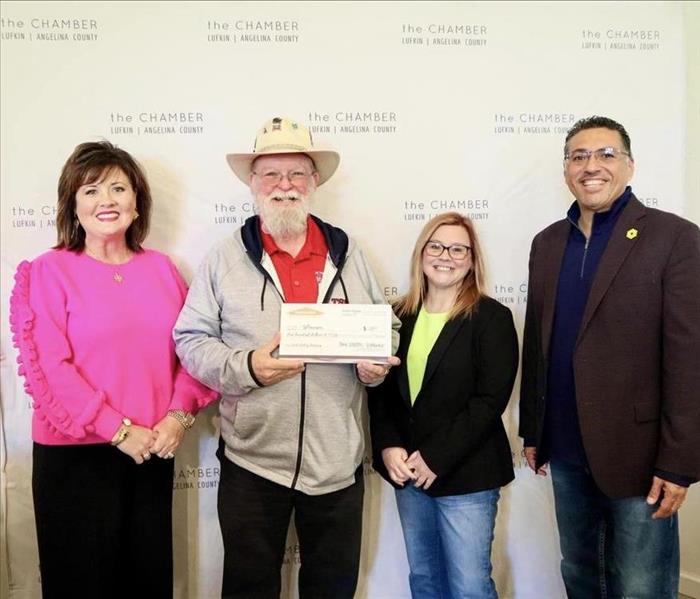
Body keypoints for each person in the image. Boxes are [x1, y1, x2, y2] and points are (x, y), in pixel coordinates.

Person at [173, 116, 400, 599]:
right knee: (249, 588)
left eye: (296, 174)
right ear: (253, 184)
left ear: (314, 181)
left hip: (337, 464)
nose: (284, 186)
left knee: (333, 589)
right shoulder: (224, 257)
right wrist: (248, 368)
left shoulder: (348, 252)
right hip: (252, 463)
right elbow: (191, 340)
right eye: (271, 175)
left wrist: (375, 364)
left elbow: (386, 328)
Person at [9, 141, 217, 599]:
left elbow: (196, 353)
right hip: (76, 457)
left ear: (137, 201)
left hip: (153, 450)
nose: (107, 200)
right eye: (91, 190)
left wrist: (178, 417)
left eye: (118, 188)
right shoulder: (49, 271)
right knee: (82, 582)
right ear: (72, 205)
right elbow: (49, 368)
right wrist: (118, 430)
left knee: (146, 579)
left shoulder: (162, 270)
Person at [519, 115, 700, 598]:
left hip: (640, 454)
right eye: (578, 156)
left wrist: (679, 461)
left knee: (640, 585)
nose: (590, 165)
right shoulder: (547, 243)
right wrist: (533, 428)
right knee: (581, 573)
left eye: (605, 154)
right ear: (566, 171)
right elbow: (539, 341)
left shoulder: (674, 238)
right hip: (566, 448)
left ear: (630, 166)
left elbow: (689, 357)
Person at [368, 212, 519, 599]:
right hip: (408, 475)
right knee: (425, 581)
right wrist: (388, 445)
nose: (445, 256)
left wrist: (434, 456)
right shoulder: (397, 317)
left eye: (457, 249)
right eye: (436, 246)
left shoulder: (492, 318)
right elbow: (380, 392)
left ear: (471, 260)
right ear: (421, 254)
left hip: (468, 476)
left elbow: (490, 402)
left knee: (469, 588)